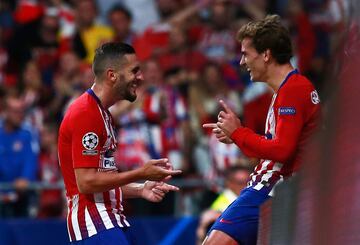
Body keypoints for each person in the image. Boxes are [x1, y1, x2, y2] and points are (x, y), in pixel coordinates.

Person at [203, 15, 321, 245]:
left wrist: (238, 133)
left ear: (266, 54)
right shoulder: (288, 88)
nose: (241, 62)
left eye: (246, 53)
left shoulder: (293, 89)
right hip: (273, 190)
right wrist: (236, 136)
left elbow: (282, 151)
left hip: (269, 190)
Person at [57, 42, 182, 244]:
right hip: (94, 225)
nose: (140, 77)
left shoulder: (102, 114)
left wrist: (140, 189)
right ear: (112, 75)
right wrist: (141, 172)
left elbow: (102, 181)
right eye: (134, 71)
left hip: (110, 222)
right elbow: (86, 182)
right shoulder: (86, 114)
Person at [0, 92, 39, 217]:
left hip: (22, 195)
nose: (19, 115)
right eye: (15, 111)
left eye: (21, 111)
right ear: (5, 112)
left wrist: (25, 178)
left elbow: (31, 159)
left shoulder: (27, 133)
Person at [196, 166, 251, 245]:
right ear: (229, 184)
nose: (245, 186)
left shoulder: (250, 199)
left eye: (248, 182)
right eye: (240, 182)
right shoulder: (221, 204)